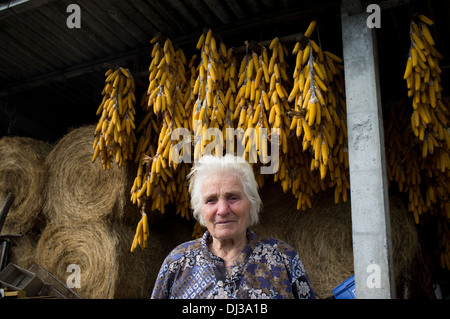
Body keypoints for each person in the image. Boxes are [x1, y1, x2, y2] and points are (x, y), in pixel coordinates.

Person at [151, 154, 316, 299]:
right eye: (211, 200)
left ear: (251, 203)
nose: (222, 210)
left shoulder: (283, 258)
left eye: (233, 197)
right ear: (200, 210)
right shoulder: (178, 262)